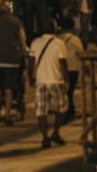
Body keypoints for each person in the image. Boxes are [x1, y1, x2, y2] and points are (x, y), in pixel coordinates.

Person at [27, 17, 69, 148]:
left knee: (41, 111)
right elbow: (63, 63)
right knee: (61, 108)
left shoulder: (35, 42)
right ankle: (55, 132)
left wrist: (30, 76)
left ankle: (45, 137)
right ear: (55, 28)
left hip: (41, 80)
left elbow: (30, 62)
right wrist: (66, 79)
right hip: (56, 80)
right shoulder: (59, 43)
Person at [0, 0, 27, 125]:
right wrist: (23, 51)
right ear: (9, 11)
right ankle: (7, 114)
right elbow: (22, 39)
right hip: (11, 60)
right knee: (9, 88)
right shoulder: (16, 22)